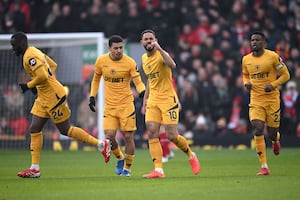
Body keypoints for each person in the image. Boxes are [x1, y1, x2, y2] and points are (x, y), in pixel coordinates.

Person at [10, 32, 111, 178]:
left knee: (65, 130)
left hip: (53, 98)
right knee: (34, 128)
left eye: (14, 46)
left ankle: (101, 144)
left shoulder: (30, 56)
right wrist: (39, 86)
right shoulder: (35, 51)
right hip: (44, 97)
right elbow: (52, 65)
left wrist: (29, 85)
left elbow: (44, 75)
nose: (13, 49)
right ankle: (34, 168)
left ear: (22, 43)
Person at [140, 29, 200, 178]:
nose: (148, 41)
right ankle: (158, 170)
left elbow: (173, 65)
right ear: (142, 42)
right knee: (152, 132)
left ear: (155, 40)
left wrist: (159, 48)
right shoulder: (143, 58)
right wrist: (145, 99)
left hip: (168, 100)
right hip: (153, 100)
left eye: (151, 39)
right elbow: (150, 79)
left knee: (172, 135)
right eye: (146, 39)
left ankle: (191, 155)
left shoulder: (161, 54)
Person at [89, 35, 145, 177]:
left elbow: (138, 81)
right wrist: (92, 96)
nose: (119, 50)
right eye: (116, 48)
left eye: (121, 47)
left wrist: (143, 93)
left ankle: (127, 168)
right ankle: (120, 157)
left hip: (126, 105)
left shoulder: (130, 62)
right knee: (109, 136)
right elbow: (95, 79)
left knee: (128, 137)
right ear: (109, 48)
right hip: (110, 106)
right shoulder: (101, 61)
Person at [242, 32, 290, 176]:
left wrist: (273, 84)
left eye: (257, 40)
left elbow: (286, 75)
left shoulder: (273, 57)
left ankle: (276, 140)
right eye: (252, 40)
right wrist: (247, 83)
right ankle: (264, 166)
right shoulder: (246, 59)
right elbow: (245, 74)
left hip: (271, 100)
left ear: (263, 42)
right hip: (256, 99)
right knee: (257, 128)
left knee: (272, 133)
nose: (254, 42)